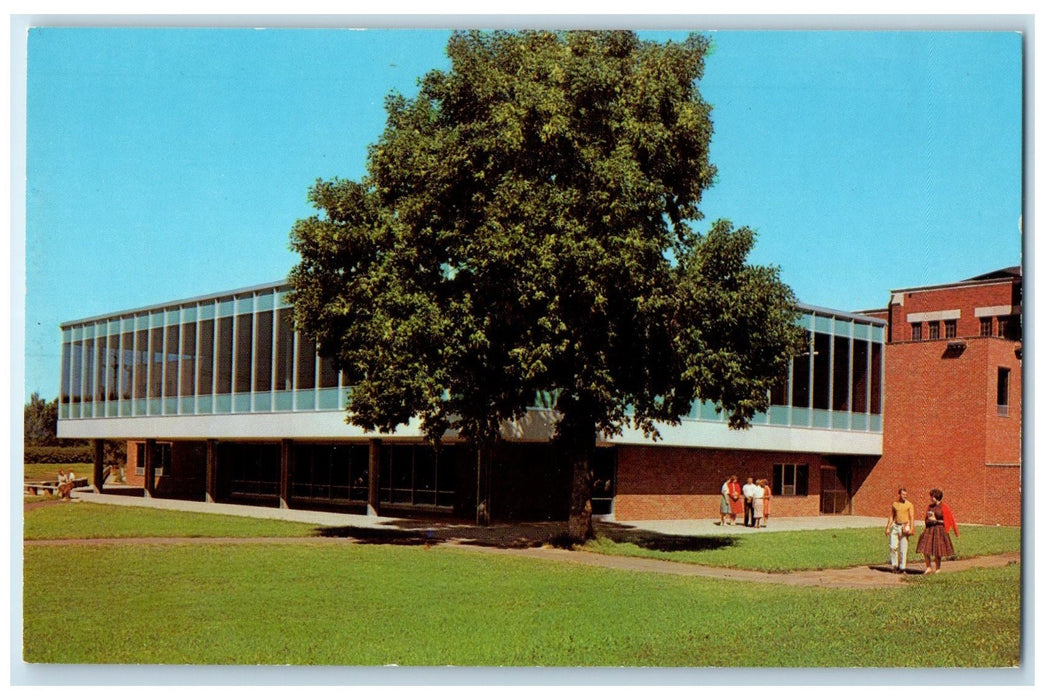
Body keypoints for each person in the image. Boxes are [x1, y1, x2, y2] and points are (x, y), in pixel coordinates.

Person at [916, 488, 957, 574]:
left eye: (932, 496)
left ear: (936, 497)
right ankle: (929, 567)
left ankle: (938, 568)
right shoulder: (930, 507)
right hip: (930, 530)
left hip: (939, 530)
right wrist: (929, 520)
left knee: (937, 550)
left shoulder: (944, 507)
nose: (930, 498)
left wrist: (936, 521)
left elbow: (947, 521)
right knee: (925, 548)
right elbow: (926, 519)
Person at [885, 487, 915, 573]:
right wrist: (888, 527)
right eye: (903, 494)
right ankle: (894, 565)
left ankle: (902, 568)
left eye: (906, 494)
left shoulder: (909, 504)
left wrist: (912, 528)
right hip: (895, 526)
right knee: (893, 547)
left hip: (904, 526)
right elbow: (891, 516)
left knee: (903, 548)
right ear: (899, 494)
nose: (905, 496)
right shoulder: (895, 504)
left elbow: (912, 517)